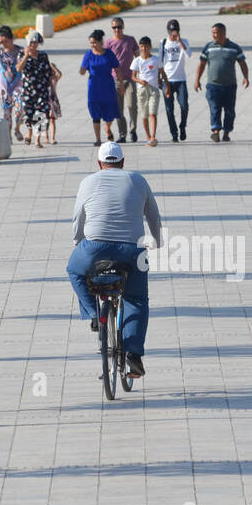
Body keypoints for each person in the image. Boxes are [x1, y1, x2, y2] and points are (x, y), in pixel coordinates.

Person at [66, 142, 162, 378]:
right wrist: (157, 241)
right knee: (137, 299)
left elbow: (78, 216)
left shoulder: (88, 181)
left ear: (99, 164)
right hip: (132, 251)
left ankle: (92, 314)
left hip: (95, 247)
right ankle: (134, 355)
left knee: (74, 269)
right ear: (122, 162)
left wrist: (78, 240)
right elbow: (153, 215)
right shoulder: (137, 180)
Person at [193, 22, 249, 142]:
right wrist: (197, 80)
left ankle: (226, 132)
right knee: (214, 107)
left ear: (224, 33)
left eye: (217, 33)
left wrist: (246, 77)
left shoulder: (234, 47)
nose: (214, 35)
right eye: (213, 33)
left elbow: (242, 63)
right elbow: (201, 65)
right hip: (213, 85)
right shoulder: (209, 47)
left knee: (230, 111)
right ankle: (216, 131)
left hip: (230, 86)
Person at [16, 30, 59, 147]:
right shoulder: (21, 54)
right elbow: (19, 69)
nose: (33, 45)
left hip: (42, 91)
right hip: (28, 92)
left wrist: (52, 90)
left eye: (35, 42)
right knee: (28, 116)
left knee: (42, 114)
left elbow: (49, 73)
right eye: (31, 42)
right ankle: (29, 132)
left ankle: (37, 140)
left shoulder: (43, 55)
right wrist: (26, 55)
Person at [80, 28, 121, 144]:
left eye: (94, 42)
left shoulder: (108, 54)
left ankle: (107, 128)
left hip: (108, 86)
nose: (92, 45)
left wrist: (121, 84)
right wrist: (82, 70)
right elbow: (83, 70)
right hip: (94, 87)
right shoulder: (88, 54)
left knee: (110, 112)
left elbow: (117, 69)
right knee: (95, 112)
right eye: (91, 43)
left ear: (100, 42)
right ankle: (98, 139)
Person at [105, 16, 139, 142]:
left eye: (119, 27)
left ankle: (133, 130)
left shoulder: (130, 40)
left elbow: (138, 57)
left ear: (123, 27)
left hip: (130, 79)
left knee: (132, 105)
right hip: (115, 80)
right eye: (114, 27)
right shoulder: (108, 43)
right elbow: (105, 61)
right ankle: (122, 134)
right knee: (118, 109)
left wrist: (139, 73)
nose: (117, 30)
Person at [0, 26, 25, 141]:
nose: (4, 43)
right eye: (2, 41)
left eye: (6, 41)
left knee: (20, 109)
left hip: (18, 83)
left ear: (12, 39)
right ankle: (8, 135)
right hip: (4, 83)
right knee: (7, 111)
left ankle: (17, 129)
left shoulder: (20, 50)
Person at [130, 36, 167, 147]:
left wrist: (167, 85)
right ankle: (148, 137)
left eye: (146, 46)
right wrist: (140, 81)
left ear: (150, 47)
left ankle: (153, 136)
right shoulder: (137, 61)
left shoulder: (156, 60)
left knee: (153, 113)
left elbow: (162, 73)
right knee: (144, 115)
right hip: (142, 90)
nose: (144, 48)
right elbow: (133, 76)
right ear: (139, 48)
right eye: (142, 46)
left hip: (153, 90)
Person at [159, 19, 191, 141]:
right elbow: (160, 62)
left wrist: (180, 41)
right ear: (168, 31)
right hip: (167, 80)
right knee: (169, 109)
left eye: (176, 30)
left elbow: (189, 54)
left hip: (180, 79)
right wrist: (159, 78)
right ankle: (174, 133)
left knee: (184, 106)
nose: (174, 33)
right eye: (172, 31)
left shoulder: (184, 42)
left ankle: (182, 126)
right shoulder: (163, 43)